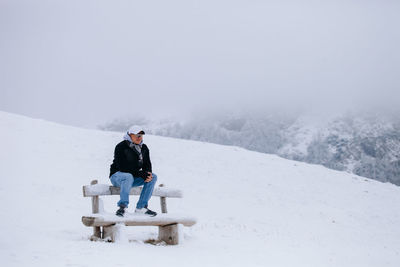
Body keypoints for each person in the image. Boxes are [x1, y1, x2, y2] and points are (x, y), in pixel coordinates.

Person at [109, 125, 158, 217]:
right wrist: (140, 173)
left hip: (132, 178)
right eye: (137, 135)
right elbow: (122, 167)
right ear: (130, 135)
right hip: (117, 177)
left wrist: (147, 174)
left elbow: (147, 164)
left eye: (141, 136)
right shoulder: (121, 146)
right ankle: (123, 207)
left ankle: (141, 207)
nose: (139, 138)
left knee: (153, 177)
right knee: (128, 176)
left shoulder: (144, 148)